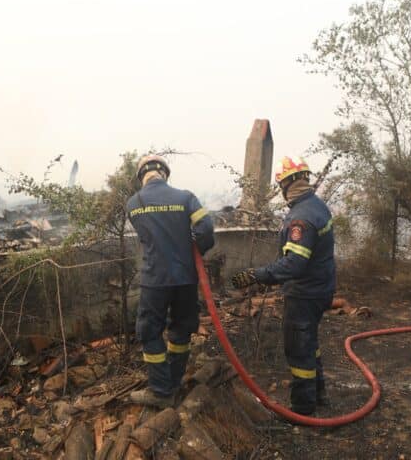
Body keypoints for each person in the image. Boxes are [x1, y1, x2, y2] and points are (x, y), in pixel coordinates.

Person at [231, 156, 335, 416]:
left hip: (305, 293)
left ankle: (302, 408)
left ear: (286, 184)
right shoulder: (317, 206)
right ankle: (319, 395)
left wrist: (259, 275)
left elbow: (295, 264)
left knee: (298, 348)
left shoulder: (300, 218)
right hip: (321, 289)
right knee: (309, 341)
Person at [126, 154, 215, 408]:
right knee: (181, 328)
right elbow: (206, 230)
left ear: (142, 175)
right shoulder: (186, 198)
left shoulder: (134, 203)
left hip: (155, 279)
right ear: (164, 173)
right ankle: (173, 382)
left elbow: (148, 236)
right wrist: (198, 247)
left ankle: (161, 391)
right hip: (186, 278)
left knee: (149, 331)